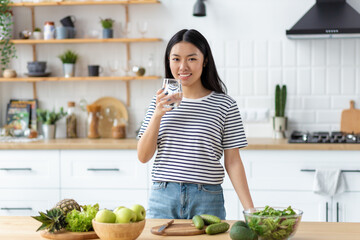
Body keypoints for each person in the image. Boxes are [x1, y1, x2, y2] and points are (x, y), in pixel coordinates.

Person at [137, 29, 254, 219]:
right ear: (169, 61)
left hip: (207, 199)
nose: (183, 66)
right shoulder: (158, 102)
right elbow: (143, 156)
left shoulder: (225, 105)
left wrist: (250, 210)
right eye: (176, 59)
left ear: (205, 60)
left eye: (191, 59)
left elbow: (233, 162)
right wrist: (158, 115)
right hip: (163, 197)